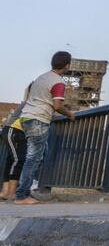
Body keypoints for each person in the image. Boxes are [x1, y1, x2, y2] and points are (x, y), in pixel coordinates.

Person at [15, 51, 76, 205]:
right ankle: (22, 195)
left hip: (26, 117)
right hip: (38, 119)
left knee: (40, 154)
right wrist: (70, 114)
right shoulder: (58, 82)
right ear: (67, 65)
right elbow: (57, 106)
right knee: (33, 158)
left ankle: (27, 190)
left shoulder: (41, 77)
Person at [0, 84, 31, 200]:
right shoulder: (29, 103)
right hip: (13, 130)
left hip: (19, 132)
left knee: (12, 160)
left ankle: (5, 192)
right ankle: (11, 194)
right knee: (17, 160)